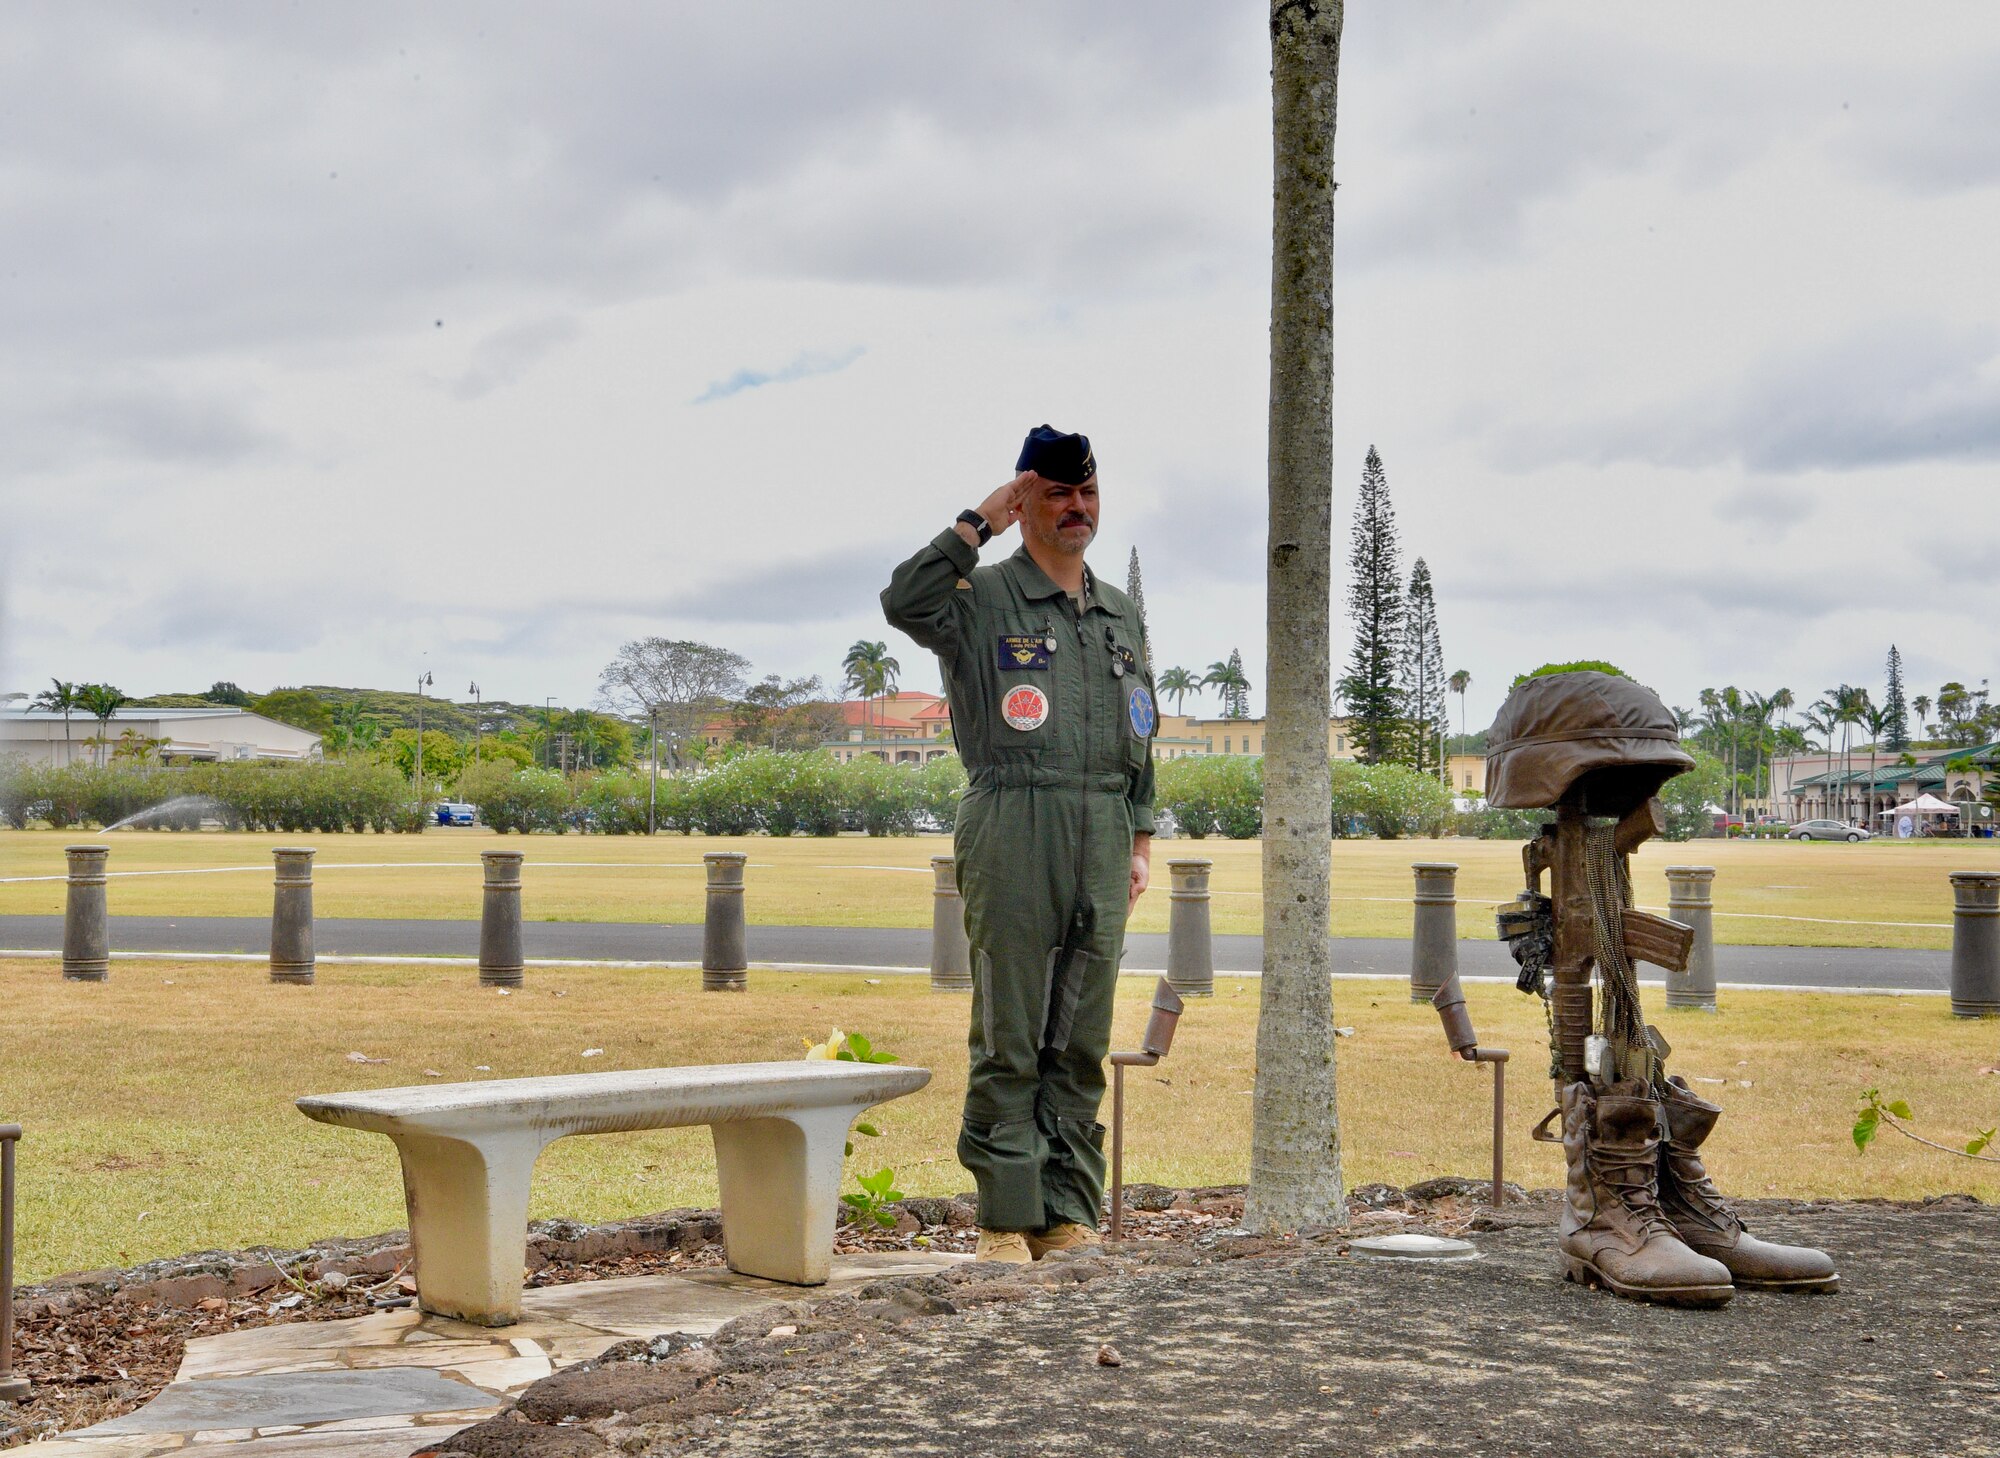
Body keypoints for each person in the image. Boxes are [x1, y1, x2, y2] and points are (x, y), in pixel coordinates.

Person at [881, 425, 1156, 1264]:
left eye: (1090, 493)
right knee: (1010, 1026)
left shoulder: (1120, 612)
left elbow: (1139, 730)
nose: (1078, 508)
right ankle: (1005, 1216)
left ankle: (1067, 1212)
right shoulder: (982, 594)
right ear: (1026, 501)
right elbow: (905, 602)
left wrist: (1140, 839)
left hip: (1103, 831)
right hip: (1012, 819)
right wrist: (976, 522)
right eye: (1058, 494)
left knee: (1078, 1034)